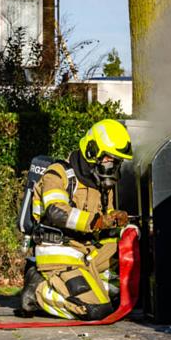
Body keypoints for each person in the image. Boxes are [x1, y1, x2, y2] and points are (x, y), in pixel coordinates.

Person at [19, 119, 133, 320]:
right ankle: (38, 289)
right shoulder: (58, 173)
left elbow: (105, 226)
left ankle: (97, 292)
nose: (112, 165)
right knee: (96, 311)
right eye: (109, 158)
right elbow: (56, 211)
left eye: (117, 161)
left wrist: (125, 226)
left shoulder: (102, 185)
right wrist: (97, 221)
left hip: (87, 251)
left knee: (130, 248)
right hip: (58, 251)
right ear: (92, 151)